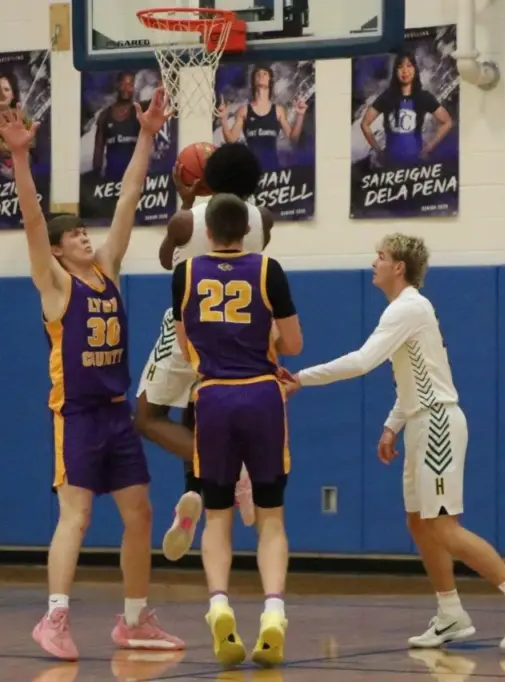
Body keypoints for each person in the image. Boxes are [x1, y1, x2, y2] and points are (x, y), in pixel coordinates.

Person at [278, 234, 505, 651]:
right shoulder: (406, 309)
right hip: (421, 421)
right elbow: (414, 375)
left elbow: (362, 361)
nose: (373, 263)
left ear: (399, 267)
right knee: (419, 522)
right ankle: (450, 614)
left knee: (444, 526)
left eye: (381, 257)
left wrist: (301, 378)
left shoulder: (407, 308)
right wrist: (393, 425)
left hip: (437, 424)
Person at [0, 89, 183, 661]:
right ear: (57, 251)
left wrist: (146, 135)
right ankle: (54, 618)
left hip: (116, 414)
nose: (82, 235)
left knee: (140, 513)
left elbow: (128, 198)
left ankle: (134, 621)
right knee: (75, 514)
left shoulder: (108, 272)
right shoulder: (55, 285)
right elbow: (32, 220)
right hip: (75, 414)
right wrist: (20, 157)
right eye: (72, 234)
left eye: (81, 231)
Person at [172, 193, 303, 668]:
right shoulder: (268, 269)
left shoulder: (185, 274)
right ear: (247, 231)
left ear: (206, 231)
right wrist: (267, 338)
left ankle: (219, 605)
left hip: (213, 397)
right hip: (262, 395)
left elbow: (185, 342)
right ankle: (273, 613)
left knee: (217, 516)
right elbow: (293, 343)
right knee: (271, 517)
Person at [134, 143, 276, 561]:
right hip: (240, 334)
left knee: (148, 417)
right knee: (198, 414)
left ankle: (230, 470)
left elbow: (168, 260)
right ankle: (195, 491)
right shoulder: (263, 219)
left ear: (200, 179)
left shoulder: (185, 221)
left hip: (189, 329)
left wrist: (186, 200)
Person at [359, 50, 454, 167]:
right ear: (395, 71)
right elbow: (365, 124)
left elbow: (447, 122)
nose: (405, 71)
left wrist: (429, 148)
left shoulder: (423, 97)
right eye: (400, 67)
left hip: (415, 164)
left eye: (409, 66)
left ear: (415, 69)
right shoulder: (387, 97)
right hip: (390, 164)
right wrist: (378, 150)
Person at [217, 65, 309, 172]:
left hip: (272, 169)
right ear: (253, 81)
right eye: (258, 74)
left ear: (270, 81)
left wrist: (300, 115)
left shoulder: (278, 110)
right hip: (251, 169)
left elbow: (293, 139)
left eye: (265, 74)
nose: (261, 76)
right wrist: (223, 119)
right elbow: (231, 140)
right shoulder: (244, 110)